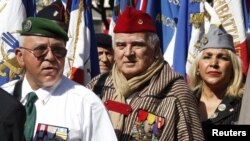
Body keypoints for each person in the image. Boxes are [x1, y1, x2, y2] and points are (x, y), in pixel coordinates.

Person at [86, 6, 204, 141]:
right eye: (121, 45)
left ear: (155, 49)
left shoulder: (176, 94)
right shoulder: (96, 86)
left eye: (137, 45)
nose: (128, 53)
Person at [1, 17, 117, 141]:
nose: (50, 57)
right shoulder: (4, 97)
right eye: (40, 50)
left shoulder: (87, 104)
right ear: (20, 57)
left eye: (58, 50)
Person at [188, 24, 244, 140]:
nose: (213, 63)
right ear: (198, 67)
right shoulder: (184, 100)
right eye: (207, 57)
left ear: (233, 68)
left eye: (222, 57)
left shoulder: (244, 104)